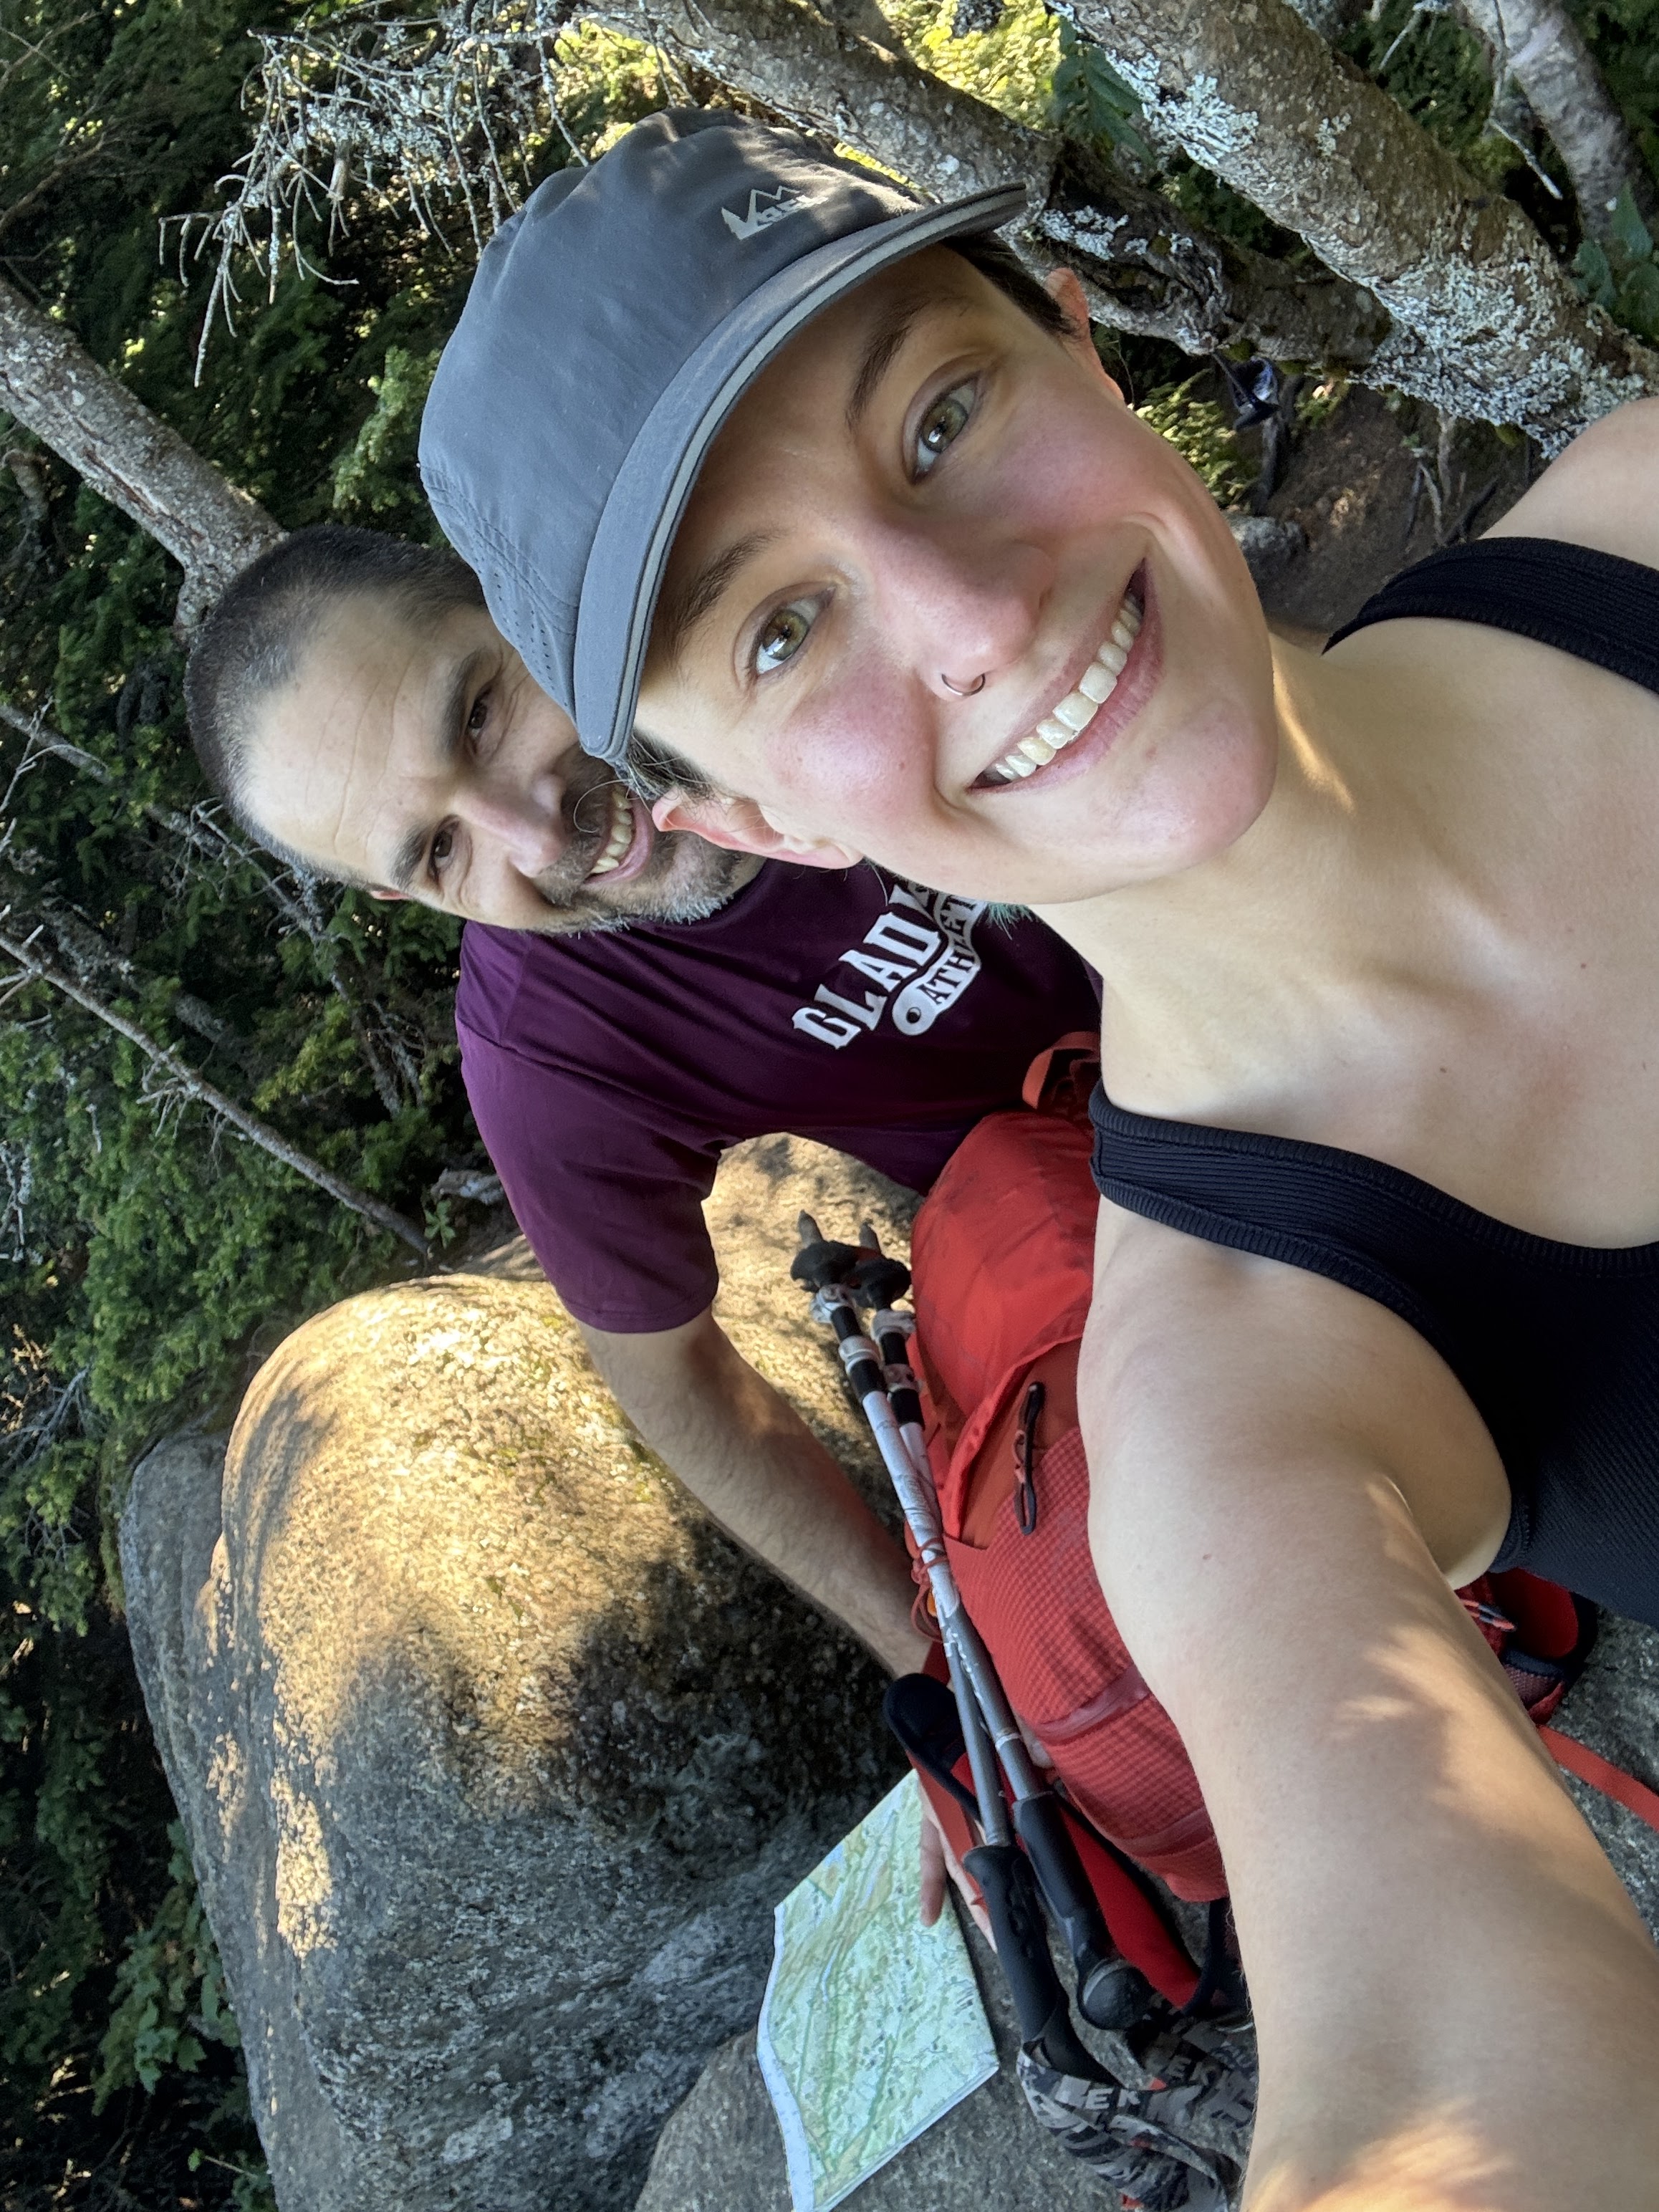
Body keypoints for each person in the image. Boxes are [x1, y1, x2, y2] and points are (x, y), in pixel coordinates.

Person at [415, 110, 1659, 2210]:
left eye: (942, 417)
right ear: (753, 822)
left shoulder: (1638, 510)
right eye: (779, 632)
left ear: (1083, 344)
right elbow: (1434, 2079)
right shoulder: (1232, 1404)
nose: (972, 610)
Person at [183, 524, 1100, 1686]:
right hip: (1127, 1199)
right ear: (398, 896)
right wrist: (940, 1665)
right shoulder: (552, 1048)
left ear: (519, 600)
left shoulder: (796, 577)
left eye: (480, 714)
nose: (533, 833)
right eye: (440, 851)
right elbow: (674, 1379)